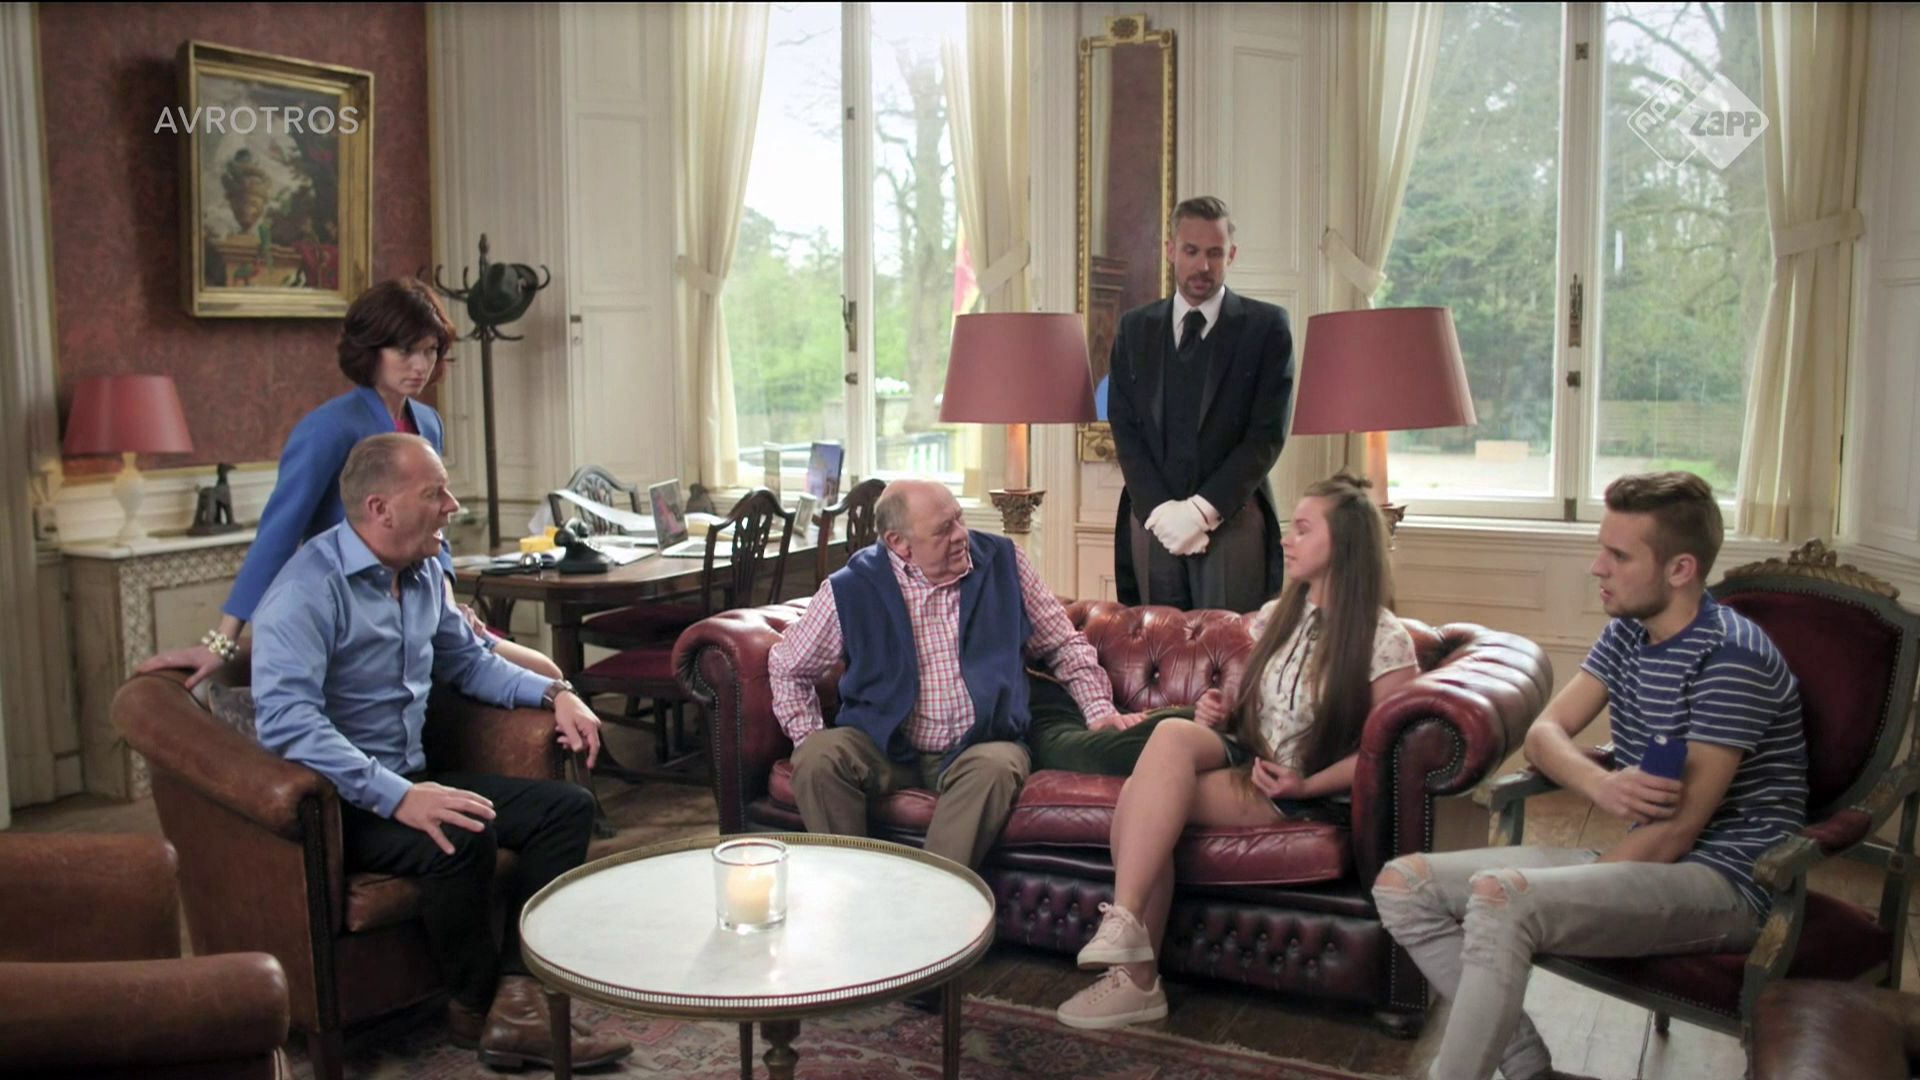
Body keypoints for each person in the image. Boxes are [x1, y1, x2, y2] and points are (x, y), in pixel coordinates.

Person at [1372, 471, 1807, 1080]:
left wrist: (1551, 896)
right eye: (1602, 549)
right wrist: (1601, 785)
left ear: (1680, 569)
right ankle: (1528, 1069)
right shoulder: (1628, 631)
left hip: (1724, 884)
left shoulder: (1732, 657)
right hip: (1643, 861)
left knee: (1504, 900)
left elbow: (1675, 833)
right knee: (1403, 886)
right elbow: (1545, 735)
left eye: (1619, 556)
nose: (1597, 567)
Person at [250, 433, 630, 1070]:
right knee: (462, 831)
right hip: (342, 804)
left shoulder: (424, 573)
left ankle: (518, 999)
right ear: (380, 508)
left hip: (416, 775)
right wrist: (400, 797)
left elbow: (470, 663)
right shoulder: (306, 592)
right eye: (435, 494)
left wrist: (556, 694)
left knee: (567, 810)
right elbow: (289, 724)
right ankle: (471, 1004)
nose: (453, 506)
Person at [1057, 473, 1418, 1030]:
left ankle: (1138, 979)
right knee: (1171, 736)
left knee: (1138, 802)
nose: (1287, 539)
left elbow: (1384, 752)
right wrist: (1220, 710)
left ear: (1344, 543)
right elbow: (1258, 711)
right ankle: (1126, 925)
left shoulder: (1385, 640)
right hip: (1253, 759)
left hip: (1302, 791)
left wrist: (1307, 784)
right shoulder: (1279, 616)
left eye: (1303, 529)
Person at [139, 278, 560, 688]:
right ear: (371, 349)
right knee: (529, 676)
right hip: (353, 610)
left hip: (421, 603)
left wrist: (447, 604)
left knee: (545, 671)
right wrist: (222, 641)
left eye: (430, 350)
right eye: (405, 350)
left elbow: (435, 530)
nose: (420, 365)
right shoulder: (329, 427)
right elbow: (278, 535)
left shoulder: (428, 423)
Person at [767, 478, 1158, 871]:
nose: (960, 535)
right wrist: (806, 732)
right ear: (899, 543)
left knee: (998, 766)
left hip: (980, 745)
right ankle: (855, 887)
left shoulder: (1004, 562)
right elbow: (788, 666)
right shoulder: (851, 588)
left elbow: (1063, 644)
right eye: (943, 529)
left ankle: (938, 899)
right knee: (817, 756)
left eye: (959, 519)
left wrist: (1098, 709)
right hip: (882, 745)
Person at [1107, 195, 1294, 613]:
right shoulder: (1134, 329)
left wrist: (1202, 512)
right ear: (1171, 250)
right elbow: (1124, 426)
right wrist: (1161, 511)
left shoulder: (1267, 328)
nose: (1203, 266)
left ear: (1232, 254)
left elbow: (1266, 435)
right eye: (1191, 251)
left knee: (1230, 644)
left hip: (1233, 520)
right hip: (1151, 519)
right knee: (1152, 645)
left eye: (1215, 253)